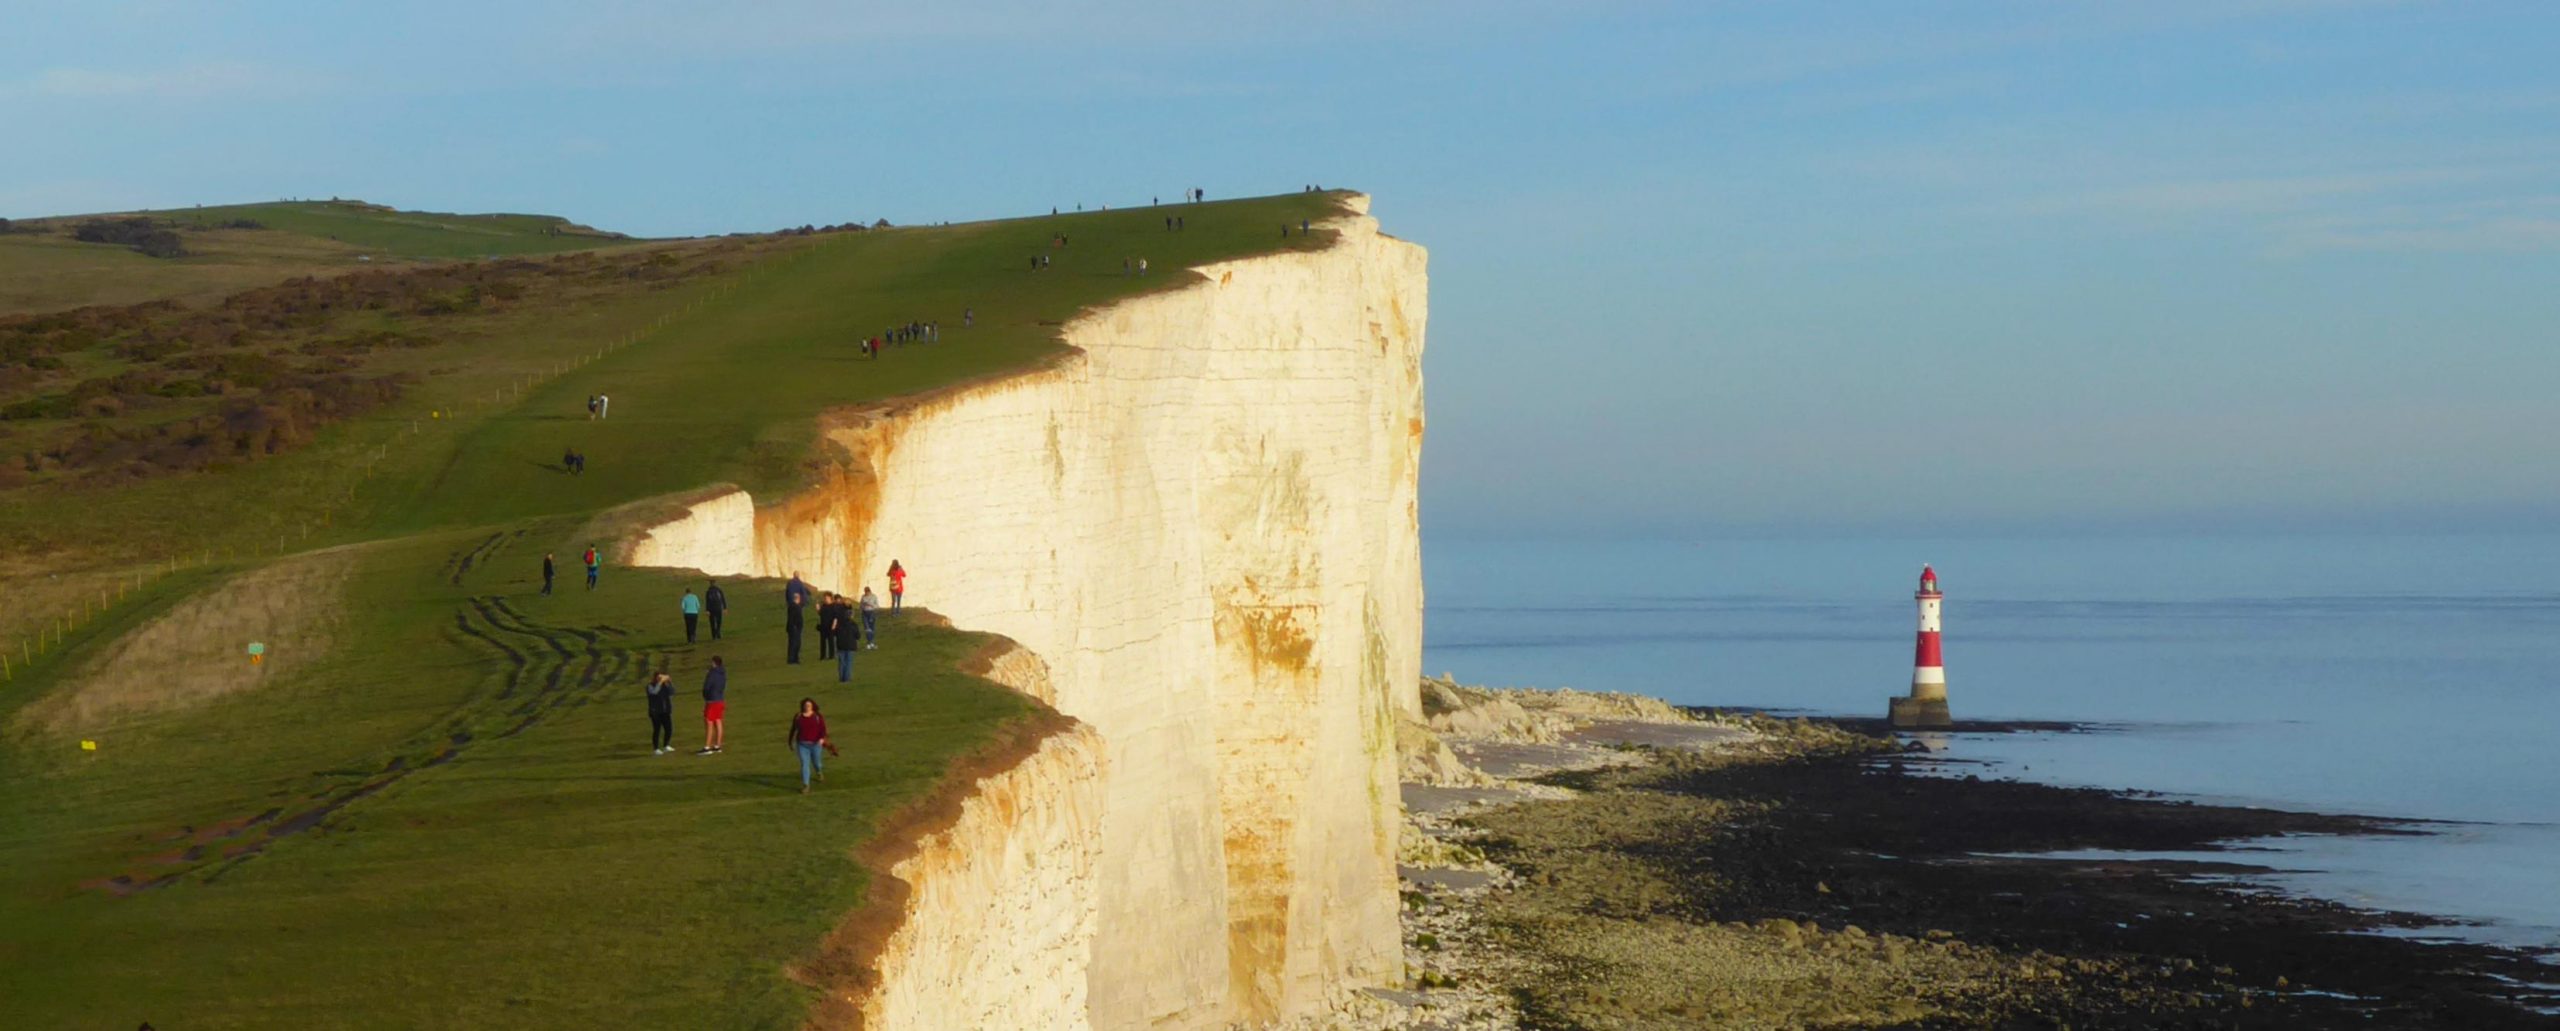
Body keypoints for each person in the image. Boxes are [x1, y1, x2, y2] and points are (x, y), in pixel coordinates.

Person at [787, 697, 829, 793]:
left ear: (813, 706)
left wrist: (822, 739)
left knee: (817, 763)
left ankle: (818, 772)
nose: (807, 707)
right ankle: (806, 785)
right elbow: (793, 729)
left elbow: (823, 729)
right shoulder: (798, 717)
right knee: (804, 764)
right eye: (805, 705)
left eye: (809, 705)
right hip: (802, 745)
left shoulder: (818, 716)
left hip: (815, 744)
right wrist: (790, 742)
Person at [697, 657, 728, 755]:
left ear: (714, 663)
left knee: (709, 721)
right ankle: (717, 745)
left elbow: (706, 687)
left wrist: (706, 696)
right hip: (720, 699)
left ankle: (707, 746)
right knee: (718, 720)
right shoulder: (723, 673)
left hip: (712, 700)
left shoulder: (712, 674)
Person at [645, 671, 676, 754]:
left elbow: (672, 692)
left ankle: (666, 745)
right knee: (657, 729)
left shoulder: (665, 685)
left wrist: (669, 682)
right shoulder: (650, 686)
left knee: (669, 728)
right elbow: (654, 692)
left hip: (665, 710)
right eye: (658, 678)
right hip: (655, 711)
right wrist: (660, 682)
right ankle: (656, 748)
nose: (660, 679)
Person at [783, 573, 809, 664]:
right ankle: (794, 659)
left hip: (791, 627)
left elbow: (787, 594)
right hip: (795, 628)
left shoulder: (790, 583)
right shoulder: (797, 607)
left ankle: (791, 659)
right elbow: (804, 593)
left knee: (791, 643)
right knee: (796, 643)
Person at [832, 603, 860, 682]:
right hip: (850, 646)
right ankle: (847, 678)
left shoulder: (840, 624)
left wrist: (833, 627)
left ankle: (841, 678)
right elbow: (858, 635)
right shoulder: (853, 624)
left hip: (841, 645)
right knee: (848, 662)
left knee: (841, 662)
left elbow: (834, 633)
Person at [816, 591, 839, 661]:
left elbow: (836, 616)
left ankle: (831, 656)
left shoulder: (834, 606)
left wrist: (834, 625)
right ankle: (822, 656)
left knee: (831, 641)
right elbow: (821, 614)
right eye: (824, 598)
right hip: (823, 625)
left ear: (830, 598)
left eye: (826, 598)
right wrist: (818, 609)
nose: (825, 599)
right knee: (822, 641)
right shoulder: (823, 606)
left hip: (830, 626)